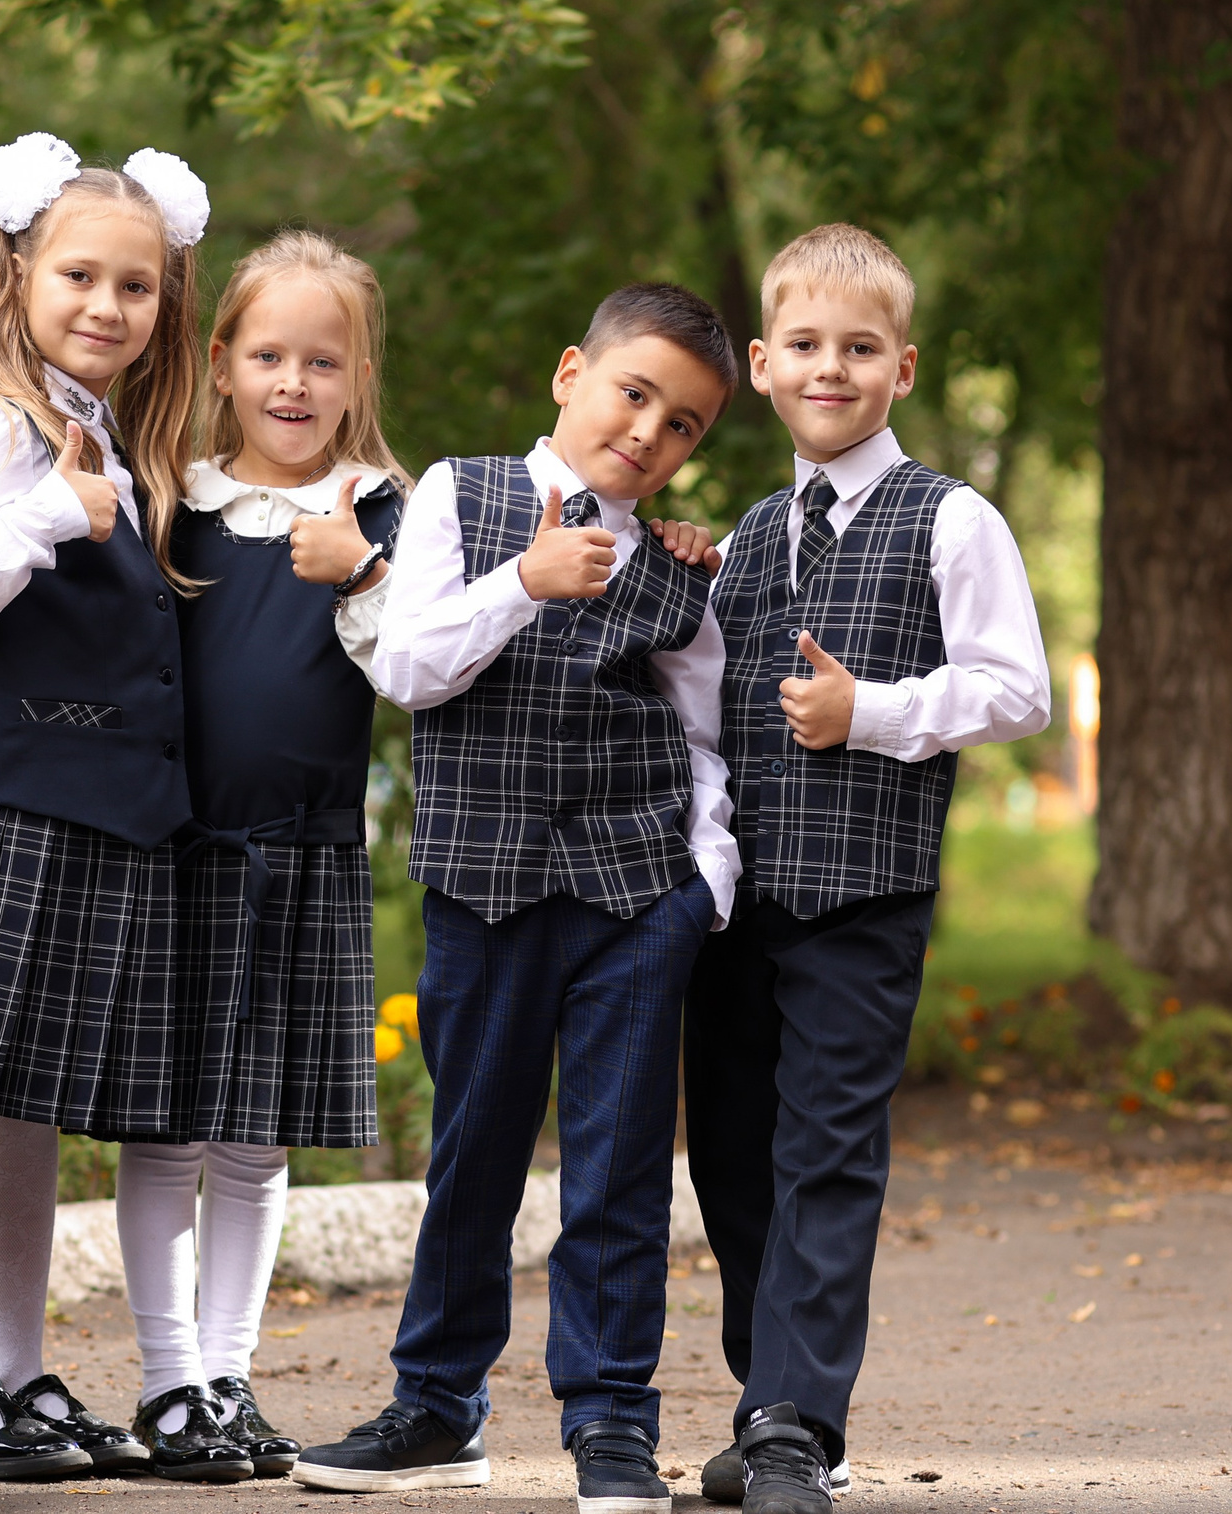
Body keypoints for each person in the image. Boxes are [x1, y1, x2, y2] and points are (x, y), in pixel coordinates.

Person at [0, 231, 412, 1482]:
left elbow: (430, 655)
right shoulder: (171, 493)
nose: (293, 383)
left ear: (359, 374)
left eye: (322, 360)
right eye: (266, 355)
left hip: (302, 855)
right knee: (163, 1128)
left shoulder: (379, 509)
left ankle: (219, 1376)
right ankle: (161, 1376)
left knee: (254, 1143)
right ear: (220, 360)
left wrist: (359, 568)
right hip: (175, 851)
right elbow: (80, 629)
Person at [290, 283, 740, 1514]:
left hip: (633, 896)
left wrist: (703, 881)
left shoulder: (673, 564)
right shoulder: (460, 490)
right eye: (632, 393)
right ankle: (436, 1404)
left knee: (616, 1169)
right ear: (568, 375)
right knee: (472, 1152)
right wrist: (526, 582)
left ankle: (608, 1420)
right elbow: (410, 667)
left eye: (684, 424)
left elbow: (702, 736)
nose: (649, 432)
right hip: (483, 889)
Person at [679, 224, 1049, 1514]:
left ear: (899, 366)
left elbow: (1017, 690)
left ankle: (795, 1423)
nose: (828, 368)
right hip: (737, 904)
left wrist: (872, 713)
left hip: (862, 897)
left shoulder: (952, 516)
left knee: (825, 1152)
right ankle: (772, 1405)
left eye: (857, 348)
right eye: (804, 347)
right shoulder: (748, 525)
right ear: (765, 366)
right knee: (728, 1154)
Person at [0, 132, 207, 1478]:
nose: (104, 305)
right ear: (16, 275)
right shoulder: (1, 433)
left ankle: (14, 1370)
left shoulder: (118, 436)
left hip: (88, 817)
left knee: (30, 1112)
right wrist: (43, 523)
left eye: (134, 286)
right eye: (78, 274)